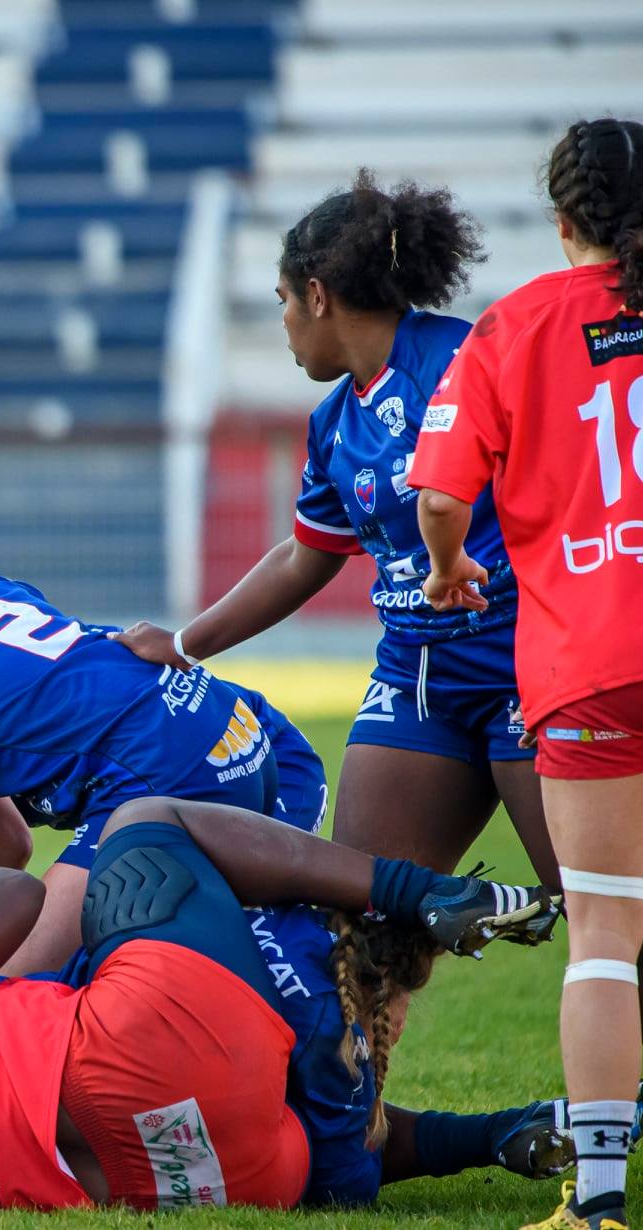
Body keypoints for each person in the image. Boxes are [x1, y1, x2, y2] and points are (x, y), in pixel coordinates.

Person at [0, 797, 558, 1208]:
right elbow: (19, 896)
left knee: (323, 1147)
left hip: (204, 1179)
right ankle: (414, 892)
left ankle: (499, 1136)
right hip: (135, 1053)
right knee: (147, 826)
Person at [112, 171, 556, 897]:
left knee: (602, 911)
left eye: (284, 300)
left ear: (317, 294)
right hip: (416, 679)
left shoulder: (462, 363)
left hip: (523, 666)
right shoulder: (332, 423)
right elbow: (302, 557)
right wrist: (185, 645)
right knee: (364, 924)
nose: (283, 321)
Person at [411, 116, 643, 1230]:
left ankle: (597, 1202)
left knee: (605, 931)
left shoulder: (514, 326)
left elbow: (443, 499)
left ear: (562, 222)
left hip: (591, 666)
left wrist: (453, 570)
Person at [0, 539, 327, 972]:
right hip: (252, 732)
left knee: (13, 983)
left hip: (162, 770)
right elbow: (11, 843)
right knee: (266, 939)